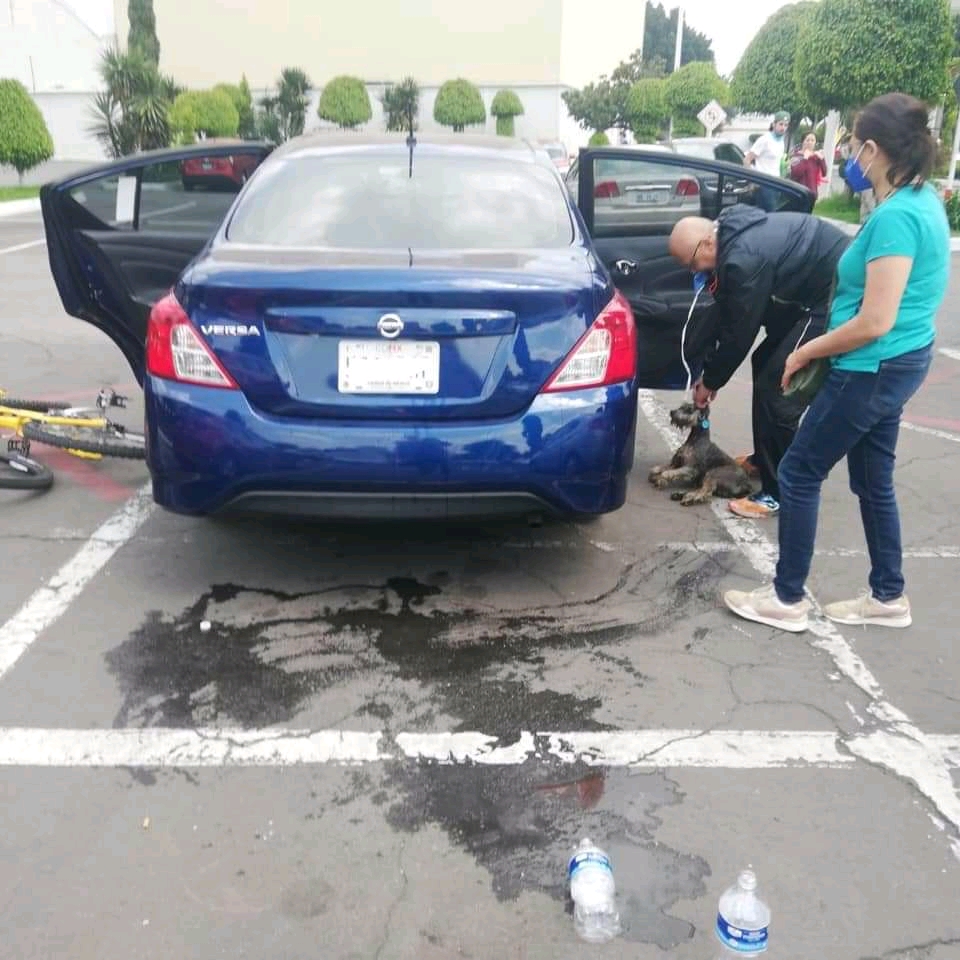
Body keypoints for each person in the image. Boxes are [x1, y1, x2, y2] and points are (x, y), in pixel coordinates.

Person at [722, 92, 950, 632]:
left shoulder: (898, 217)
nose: (849, 153)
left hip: (872, 366)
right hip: (896, 363)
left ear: (872, 149)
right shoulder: (923, 202)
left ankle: (787, 597)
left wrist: (805, 350)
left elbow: (875, 320)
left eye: (852, 143)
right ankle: (888, 596)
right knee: (873, 481)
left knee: (799, 471)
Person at [668, 206, 849, 519]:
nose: (695, 272)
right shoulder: (730, 237)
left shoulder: (742, 260)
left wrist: (711, 381)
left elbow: (740, 331)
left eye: (693, 264)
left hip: (832, 293)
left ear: (708, 244)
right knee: (764, 360)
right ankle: (764, 458)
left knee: (777, 386)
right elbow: (727, 314)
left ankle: (780, 491)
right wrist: (707, 368)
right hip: (808, 286)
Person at [745, 112, 790, 211]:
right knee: (769, 214)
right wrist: (753, 181)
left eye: (786, 125)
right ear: (774, 124)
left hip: (776, 183)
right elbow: (747, 160)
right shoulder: (765, 139)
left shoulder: (781, 141)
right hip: (764, 183)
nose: (783, 127)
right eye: (781, 124)